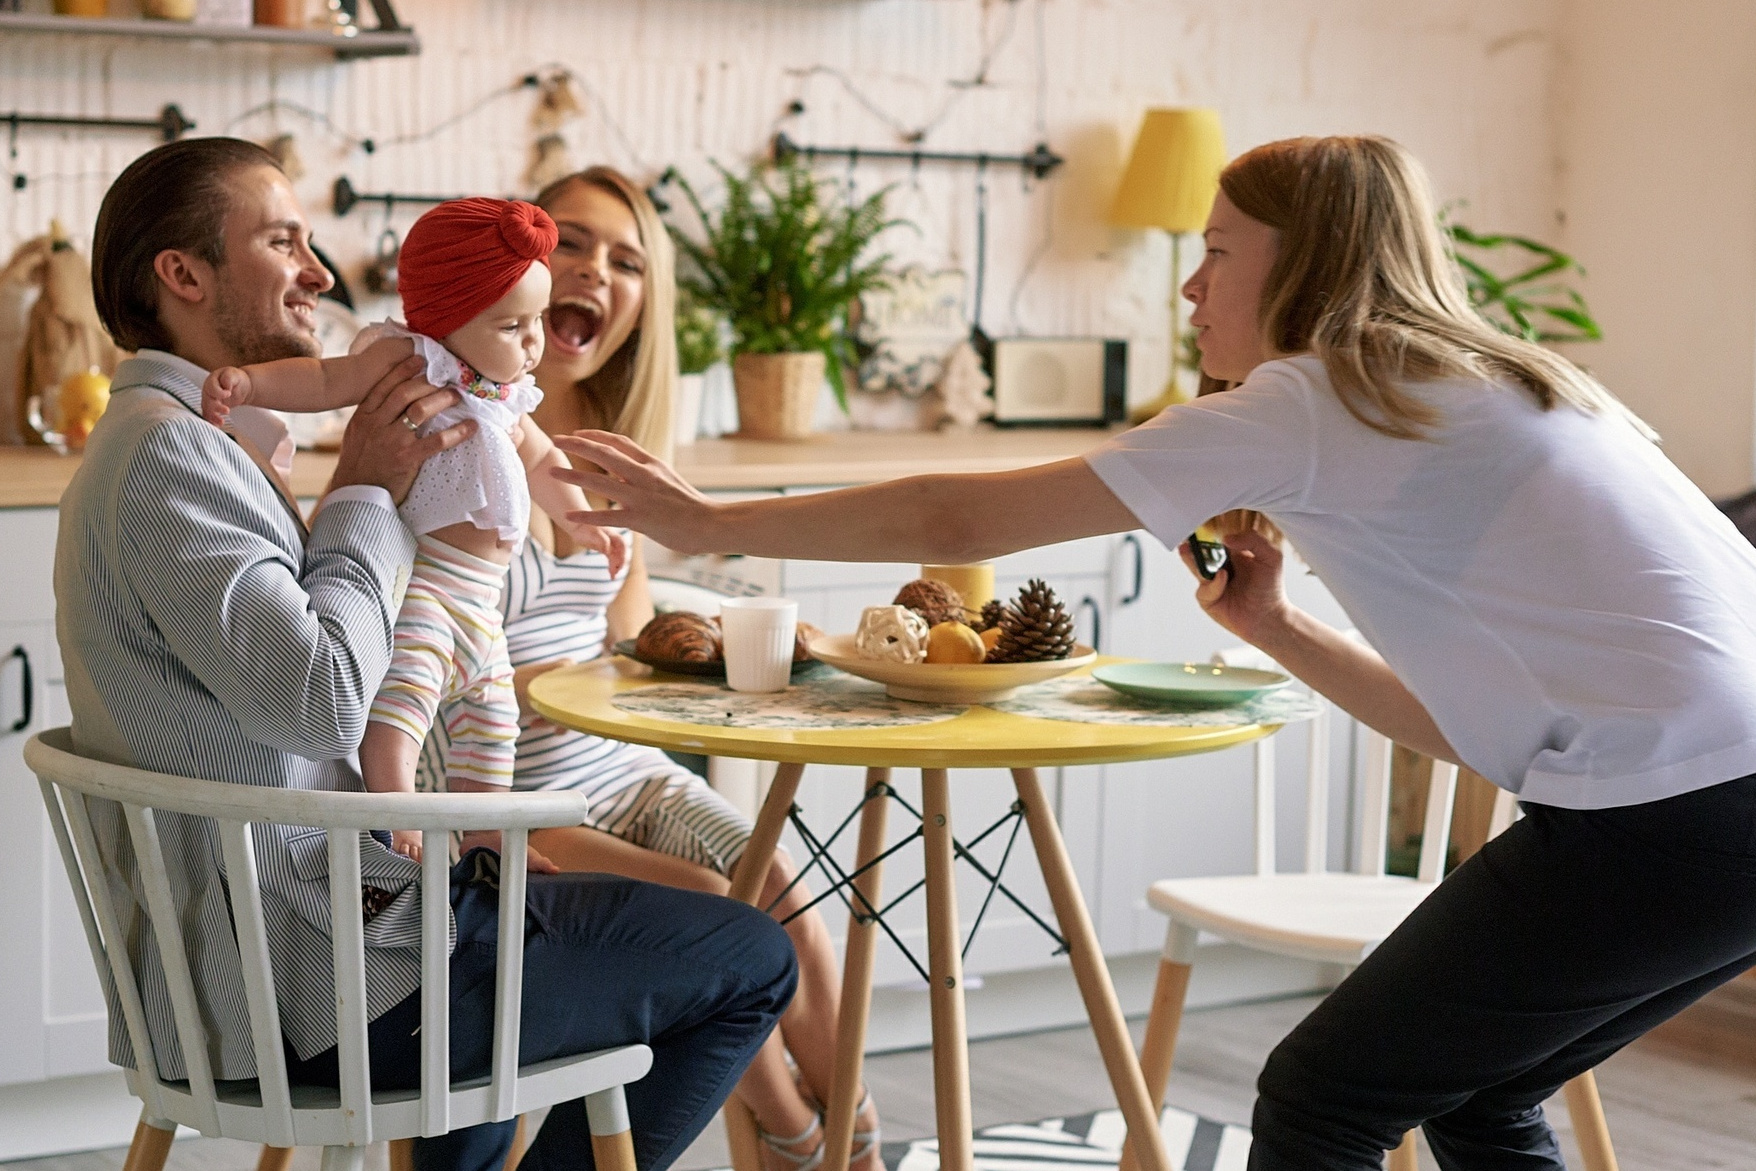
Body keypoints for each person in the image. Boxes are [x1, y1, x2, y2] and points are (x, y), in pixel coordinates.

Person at [548, 135, 1756, 1171]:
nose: (1191, 286)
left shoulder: (1309, 400)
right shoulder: (1492, 384)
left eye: (1220, 249)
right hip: (1709, 806)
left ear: (1305, 259)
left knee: (1323, 1095)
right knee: (1481, 1091)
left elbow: (952, 522)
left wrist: (705, 520)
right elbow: (1485, 731)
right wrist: (1277, 626)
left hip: (1669, 816)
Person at [57, 137, 796, 1171]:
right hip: (317, 987)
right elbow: (324, 703)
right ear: (181, 275)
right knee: (750, 952)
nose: (318, 270)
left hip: (329, 935)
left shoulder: (187, 439)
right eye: (281, 240)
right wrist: (361, 486)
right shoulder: (165, 455)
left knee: (539, 958)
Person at [415, 164, 882, 1171]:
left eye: (627, 260)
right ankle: (802, 1137)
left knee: (780, 885)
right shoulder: (455, 441)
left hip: (619, 772)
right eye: (572, 243)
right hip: (520, 803)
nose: (595, 272)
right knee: (716, 910)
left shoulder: (617, 461)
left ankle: (853, 1134)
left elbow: (621, 662)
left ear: (643, 303)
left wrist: (729, 647)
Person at [200, 196, 624, 864]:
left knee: (494, 724)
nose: (534, 341)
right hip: (424, 590)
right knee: (400, 712)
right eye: (513, 324)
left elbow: (544, 461)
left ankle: (486, 833)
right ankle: (395, 816)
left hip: (484, 609)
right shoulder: (410, 361)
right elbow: (322, 378)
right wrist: (247, 384)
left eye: (536, 320)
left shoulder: (505, 396)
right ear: (450, 316)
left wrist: (586, 517)